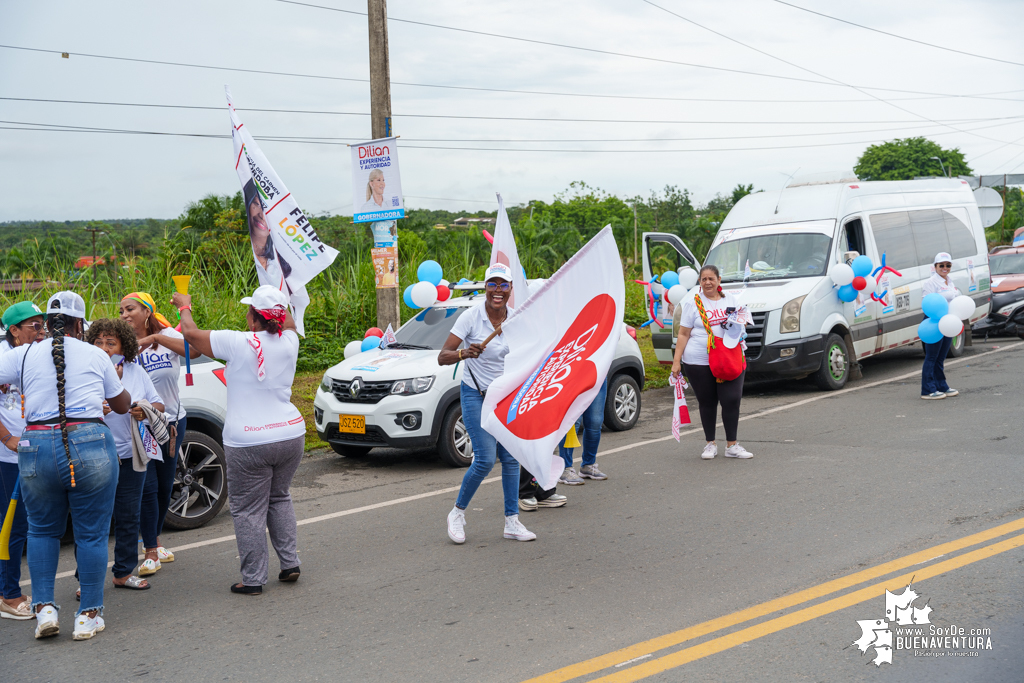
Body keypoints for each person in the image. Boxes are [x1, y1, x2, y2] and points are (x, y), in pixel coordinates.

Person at [0, 292, 129, 640]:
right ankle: (88, 615)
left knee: (41, 531)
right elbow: (121, 405)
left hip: (35, 446)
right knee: (91, 534)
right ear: (79, 323)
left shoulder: (23, 354)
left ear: (48, 320)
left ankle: (44, 611)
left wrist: (5, 435)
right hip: (89, 442)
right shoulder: (95, 354)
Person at [172, 285, 305, 595]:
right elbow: (286, 320)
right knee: (279, 497)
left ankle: (254, 579)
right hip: (290, 434)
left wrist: (184, 306)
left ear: (253, 319)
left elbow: (190, 334)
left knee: (247, 510)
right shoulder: (290, 340)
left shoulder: (238, 342)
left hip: (249, 441)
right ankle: (290, 563)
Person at [439, 263, 535, 544]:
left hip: (505, 397)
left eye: (503, 285)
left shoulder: (515, 320)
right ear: (485, 288)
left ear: (510, 290)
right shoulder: (471, 317)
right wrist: (464, 353)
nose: (497, 291)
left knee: (511, 459)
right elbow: (442, 355)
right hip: (476, 394)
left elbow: (526, 355)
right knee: (483, 459)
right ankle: (457, 513)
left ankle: (512, 521)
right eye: (492, 285)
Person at [121, 292, 199, 571]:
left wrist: (154, 339)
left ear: (147, 311)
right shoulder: (122, 344)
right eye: (121, 311)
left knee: (166, 486)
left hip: (172, 424)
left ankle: (152, 540)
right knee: (148, 487)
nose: (125, 315)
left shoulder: (166, 335)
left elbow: (195, 351)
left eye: (130, 309)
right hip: (139, 425)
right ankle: (150, 546)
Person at [86, 319, 165, 590]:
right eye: (98, 342)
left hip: (131, 454)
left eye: (111, 342)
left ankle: (122, 572)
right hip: (96, 455)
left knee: (129, 515)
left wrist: (144, 408)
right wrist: (99, 408)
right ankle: (85, 581)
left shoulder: (136, 371)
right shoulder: (85, 372)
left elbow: (159, 403)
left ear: (124, 346)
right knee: (93, 520)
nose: (105, 348)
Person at [670, 265, 754, 460]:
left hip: (729, 358)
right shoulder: (693, 303)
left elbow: (740, 325)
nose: (707, 282)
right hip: (698, 361)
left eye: (711, 279)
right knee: (707, 402)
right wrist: (676, 362)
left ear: (719, 280)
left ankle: (732, 445)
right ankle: (710, 444)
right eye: (703, 279)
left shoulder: (731, 301)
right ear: (699, 282)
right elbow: (683, 333)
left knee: (732, 399)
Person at [0, 301, 45, 620]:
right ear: (14, 331)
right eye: (35, 327)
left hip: (35, 451)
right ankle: (9, 595)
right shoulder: (3, 360)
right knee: (13, 526)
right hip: (8, 456)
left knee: (29, 525)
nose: (41, 332)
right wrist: (7, 438)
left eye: (43, 326)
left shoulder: (39, 356)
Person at [921, 252, 960, 400]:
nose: (945, 268)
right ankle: (927, 389)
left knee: (940, 357)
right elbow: (927, 304)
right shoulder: (930, 283)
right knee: (931, 357)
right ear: (935, 267)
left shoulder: (949, 281)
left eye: (948, 265)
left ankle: (941, 385)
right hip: (933, 322)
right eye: (941, 265)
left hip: (948, 322)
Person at [245, 179, 293, 295]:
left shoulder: (282, 263)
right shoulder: (242, 259)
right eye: (256, 204)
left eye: (267, 210)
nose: (261, 215)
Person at [557, 378, 609, 485]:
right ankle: (565, 468)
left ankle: (588, 465)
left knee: (595, 422)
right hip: (576, 376)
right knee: (572, 423)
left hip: (598, 375)